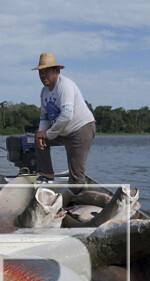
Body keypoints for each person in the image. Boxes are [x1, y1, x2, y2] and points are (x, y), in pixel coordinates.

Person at [32, 52, 96, 193]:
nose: (43, 75)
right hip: (62, 130)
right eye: (40, 72)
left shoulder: (65, 86)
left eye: (47, 71)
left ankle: (78, 200)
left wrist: (47, 134)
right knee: (37, 136)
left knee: (76, 175)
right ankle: (46, 174)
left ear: (57, 71)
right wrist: (42, 133)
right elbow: (44, 117)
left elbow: (67, 115)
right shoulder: (44, 92)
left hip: (81, 129)